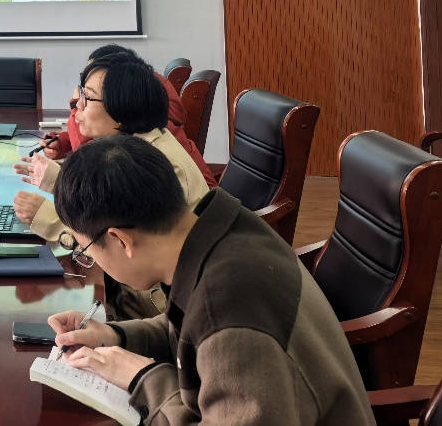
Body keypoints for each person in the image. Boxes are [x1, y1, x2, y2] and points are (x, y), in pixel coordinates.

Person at [46, 136, 374, 426]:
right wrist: (115, 335)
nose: (89, 259)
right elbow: (189, 329)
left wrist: (142, 378)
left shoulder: (229, 307)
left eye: (86, 250)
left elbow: (214, 329)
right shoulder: (220, 235)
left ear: (120, 240)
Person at [12, 51, 209, 239]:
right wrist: (60, 181)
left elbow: (118, 245)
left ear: (122, 106)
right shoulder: (139, 142)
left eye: (88, 97)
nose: (78, 105)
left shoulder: (147, 165)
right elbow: (107, 208)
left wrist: (49, 220)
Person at [39, 45, 216, 188]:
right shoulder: (142, 131)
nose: (78, 103)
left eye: (88, 96)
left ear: (120, 101)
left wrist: (54, 186)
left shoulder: (140, 162)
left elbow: (102, 216)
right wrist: (62, 142)